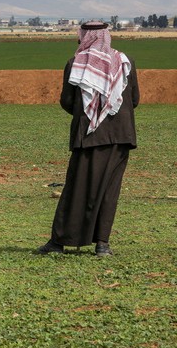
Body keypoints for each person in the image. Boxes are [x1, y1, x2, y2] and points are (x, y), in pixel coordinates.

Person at [38, 21, 139, 257]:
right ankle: (102, 244)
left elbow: (67, 101)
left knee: (76, 188)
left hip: (89, 135)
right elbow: (133, 99)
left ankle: (59, 242)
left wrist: (89, 114)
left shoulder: (76, 64)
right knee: (109, 190)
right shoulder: (125, 62)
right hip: (120, 136)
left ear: (84, 37)